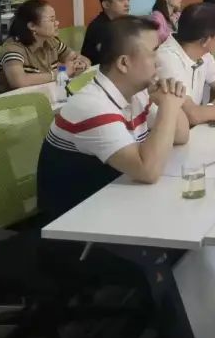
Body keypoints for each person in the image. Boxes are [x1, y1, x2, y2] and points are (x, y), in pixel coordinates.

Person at [37, 15, 190, 222]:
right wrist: (169, 106)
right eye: (154, 52)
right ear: (124, 63)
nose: (160, 60)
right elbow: (148, 171)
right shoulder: (92, 106)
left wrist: (167, 99)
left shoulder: (136, 92)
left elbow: (181, 135)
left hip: (115, 207)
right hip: (76, 226)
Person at [155, 3, 215, 124]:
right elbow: (191, 115)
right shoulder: (167, 58)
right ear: (206, 40)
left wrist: (207, 112)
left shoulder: (203, 52)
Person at [0, 0, 90, 94]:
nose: (57, 23)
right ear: (32, 26)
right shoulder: (13, 48)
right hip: (10, 103)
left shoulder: (51, 42)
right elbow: (19, 81)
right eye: (52, 20)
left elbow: (79, 58)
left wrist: (81, 63)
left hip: (42, 96)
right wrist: (59, 74)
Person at [81, 0, 130, 66]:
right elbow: (111, 60)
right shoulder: (99, 27)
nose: (127, 4)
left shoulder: (123, 22)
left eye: (128, 0)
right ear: (106, 4)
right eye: (121, 1)